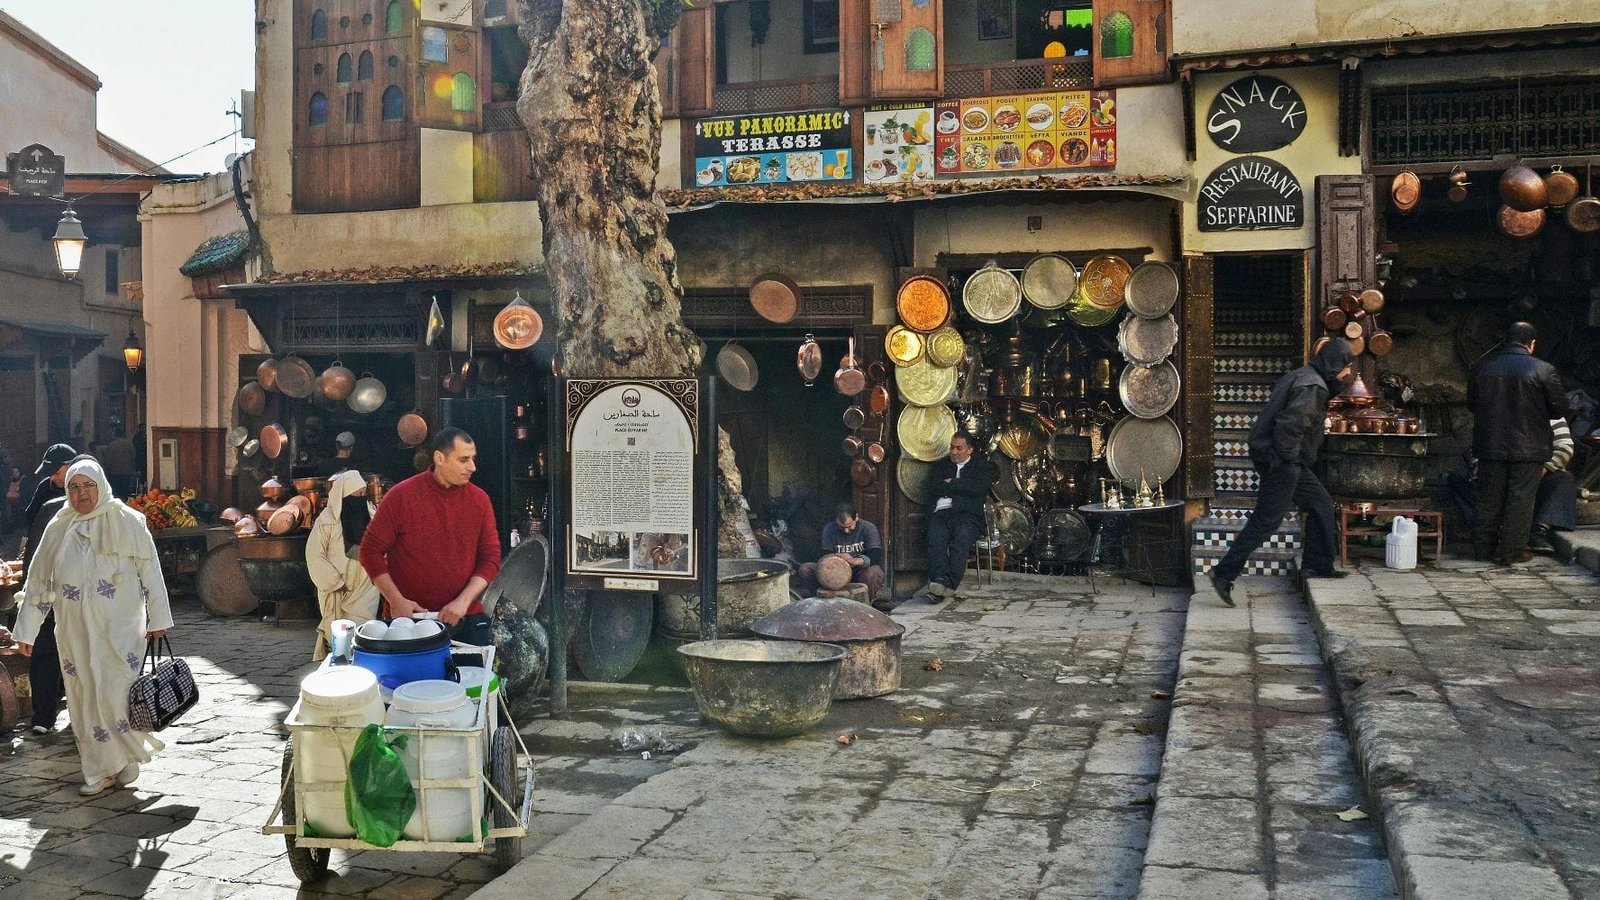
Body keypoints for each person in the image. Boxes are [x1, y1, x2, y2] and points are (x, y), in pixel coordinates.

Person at [12, 458, 174, 796]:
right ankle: (99, 770)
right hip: (74, 632)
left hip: (121, 631)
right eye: (74, 487)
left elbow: (151, 572)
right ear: (66, 490)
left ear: (100, 486)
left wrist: (159, 619)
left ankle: (124, 754)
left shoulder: (128, 521)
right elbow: (40, 580)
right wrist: (26, 630)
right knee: (83, 695)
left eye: (87, 486)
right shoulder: (58, 527)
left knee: (116, 694)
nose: (81, 493)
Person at [1210, 338, 1357, 607]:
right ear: (1335, 364)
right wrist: (1287, 461)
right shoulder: (1312, 386)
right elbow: (1290, 426)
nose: (1348, 371)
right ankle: (1223, 573)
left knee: (1321, 503)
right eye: (1346, 365)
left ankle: (1317, 564)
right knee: (1266, 521)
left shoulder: (1305, 375)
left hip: (1288, 460)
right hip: (1283, 461)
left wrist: (1338, 380)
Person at [360, 427, 501, 646]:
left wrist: (463, 602)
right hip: (407, 620)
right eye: (463, 460)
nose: (472, 467)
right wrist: (395, 600)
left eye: (473, 459)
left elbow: (491, 557)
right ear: (439, 458)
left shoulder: (479, 500)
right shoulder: (401, 496)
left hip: (466, 616)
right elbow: (369, 551)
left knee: (472, 679)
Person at [1468, 321, 1567, 565]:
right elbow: (1559, 409)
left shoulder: (1482, 368)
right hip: (1529, 447)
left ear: (1506, 340)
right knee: (1520, 499)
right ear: (1531, 344)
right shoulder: (1544, 370)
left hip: (1490, 445)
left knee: (1488, 498)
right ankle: (1511, 552)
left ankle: (1482, 550)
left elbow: (1472, 405)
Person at [1449, 417, 1578, 554]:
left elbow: (1565, 446)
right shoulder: (1494, 409)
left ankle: (1538, 531)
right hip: (1498, 473)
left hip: (1538, 471)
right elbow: (1476, 445)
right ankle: (1495, 528)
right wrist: (1480, 468)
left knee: (1565, 480)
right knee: (1458, 478)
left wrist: (1543, 469)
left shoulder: (1548, 412)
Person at [20, 443, 76, 736]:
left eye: (56, 472)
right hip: (47, 588)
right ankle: (44, 713)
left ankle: (55, 709)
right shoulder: (47, 496)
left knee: (58, 651)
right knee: (47, 650)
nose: (53, 478)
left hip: (75, 592)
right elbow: (31, 530)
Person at [306, 469, 381, 660]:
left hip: (365, 589)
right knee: (340, 636)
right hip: (337, 590)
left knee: (364, 632)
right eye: (354, 495)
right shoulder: (326, 522)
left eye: (362, 495)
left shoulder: (372, 516)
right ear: (343, 496)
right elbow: (314, 555)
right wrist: (335, 583)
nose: (359, 499)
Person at [919, 432, 994, 601]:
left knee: (962, 540)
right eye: (952, 447)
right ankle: (940, 582)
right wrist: (963, 487)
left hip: (968, 515)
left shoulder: (981, 467)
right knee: (936, 539)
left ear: (970, 450)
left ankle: (948, 584)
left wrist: (952, 483)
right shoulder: (941, 466)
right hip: (942, 512)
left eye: (959, 448)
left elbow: (979, 489)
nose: (954, 452)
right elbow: (932, 487)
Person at [794, 502, 887, 603]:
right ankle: (823, 602)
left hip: (859, 571)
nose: (846, 531)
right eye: (842, 527)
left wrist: (855, 561)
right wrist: (838, 562)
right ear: (836, 520)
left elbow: (876, 556)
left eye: (850, 526)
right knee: (805, 569)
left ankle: (865, 604)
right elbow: (825, 555)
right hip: (835, 571)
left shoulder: (868, 528)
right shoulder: (829, 529)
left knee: (874, 572)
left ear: (856, 517)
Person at [100, 430, 137, 498]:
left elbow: (108, 459)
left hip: (115, 471)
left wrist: (107, 468)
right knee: (125, 490)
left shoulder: (112, 445)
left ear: (115, 435)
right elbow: (133, 456)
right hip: (127, 471)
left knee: (116, 491)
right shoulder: (129, 444)